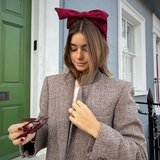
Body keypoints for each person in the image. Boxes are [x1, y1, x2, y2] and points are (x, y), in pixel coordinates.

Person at [8, 8, 148, 160]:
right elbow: (48, 128)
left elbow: (139, 154)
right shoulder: (51, 84)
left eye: (86, 49)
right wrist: (33, 133)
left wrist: (97, 129)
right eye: (73, 49)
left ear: (99, 49)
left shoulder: (120, 90)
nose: (78, 56)